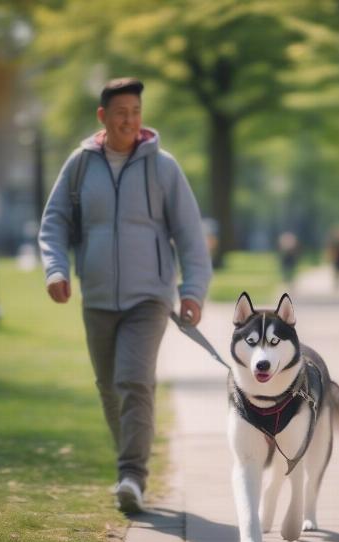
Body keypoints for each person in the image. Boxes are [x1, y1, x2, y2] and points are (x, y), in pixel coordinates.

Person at [38, 77, 212, 513]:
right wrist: (56, 269)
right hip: (96, 296)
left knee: (133, 382)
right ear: (103, 116)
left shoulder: (163, 167)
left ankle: (132, 475)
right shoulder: (80, 165)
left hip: (148, 297)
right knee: (109, 388)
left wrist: (192, 290)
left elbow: (190, 235)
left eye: (136, 112)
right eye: (121, 113)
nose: (130, 121)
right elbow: (55, 222)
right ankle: (130, 461)